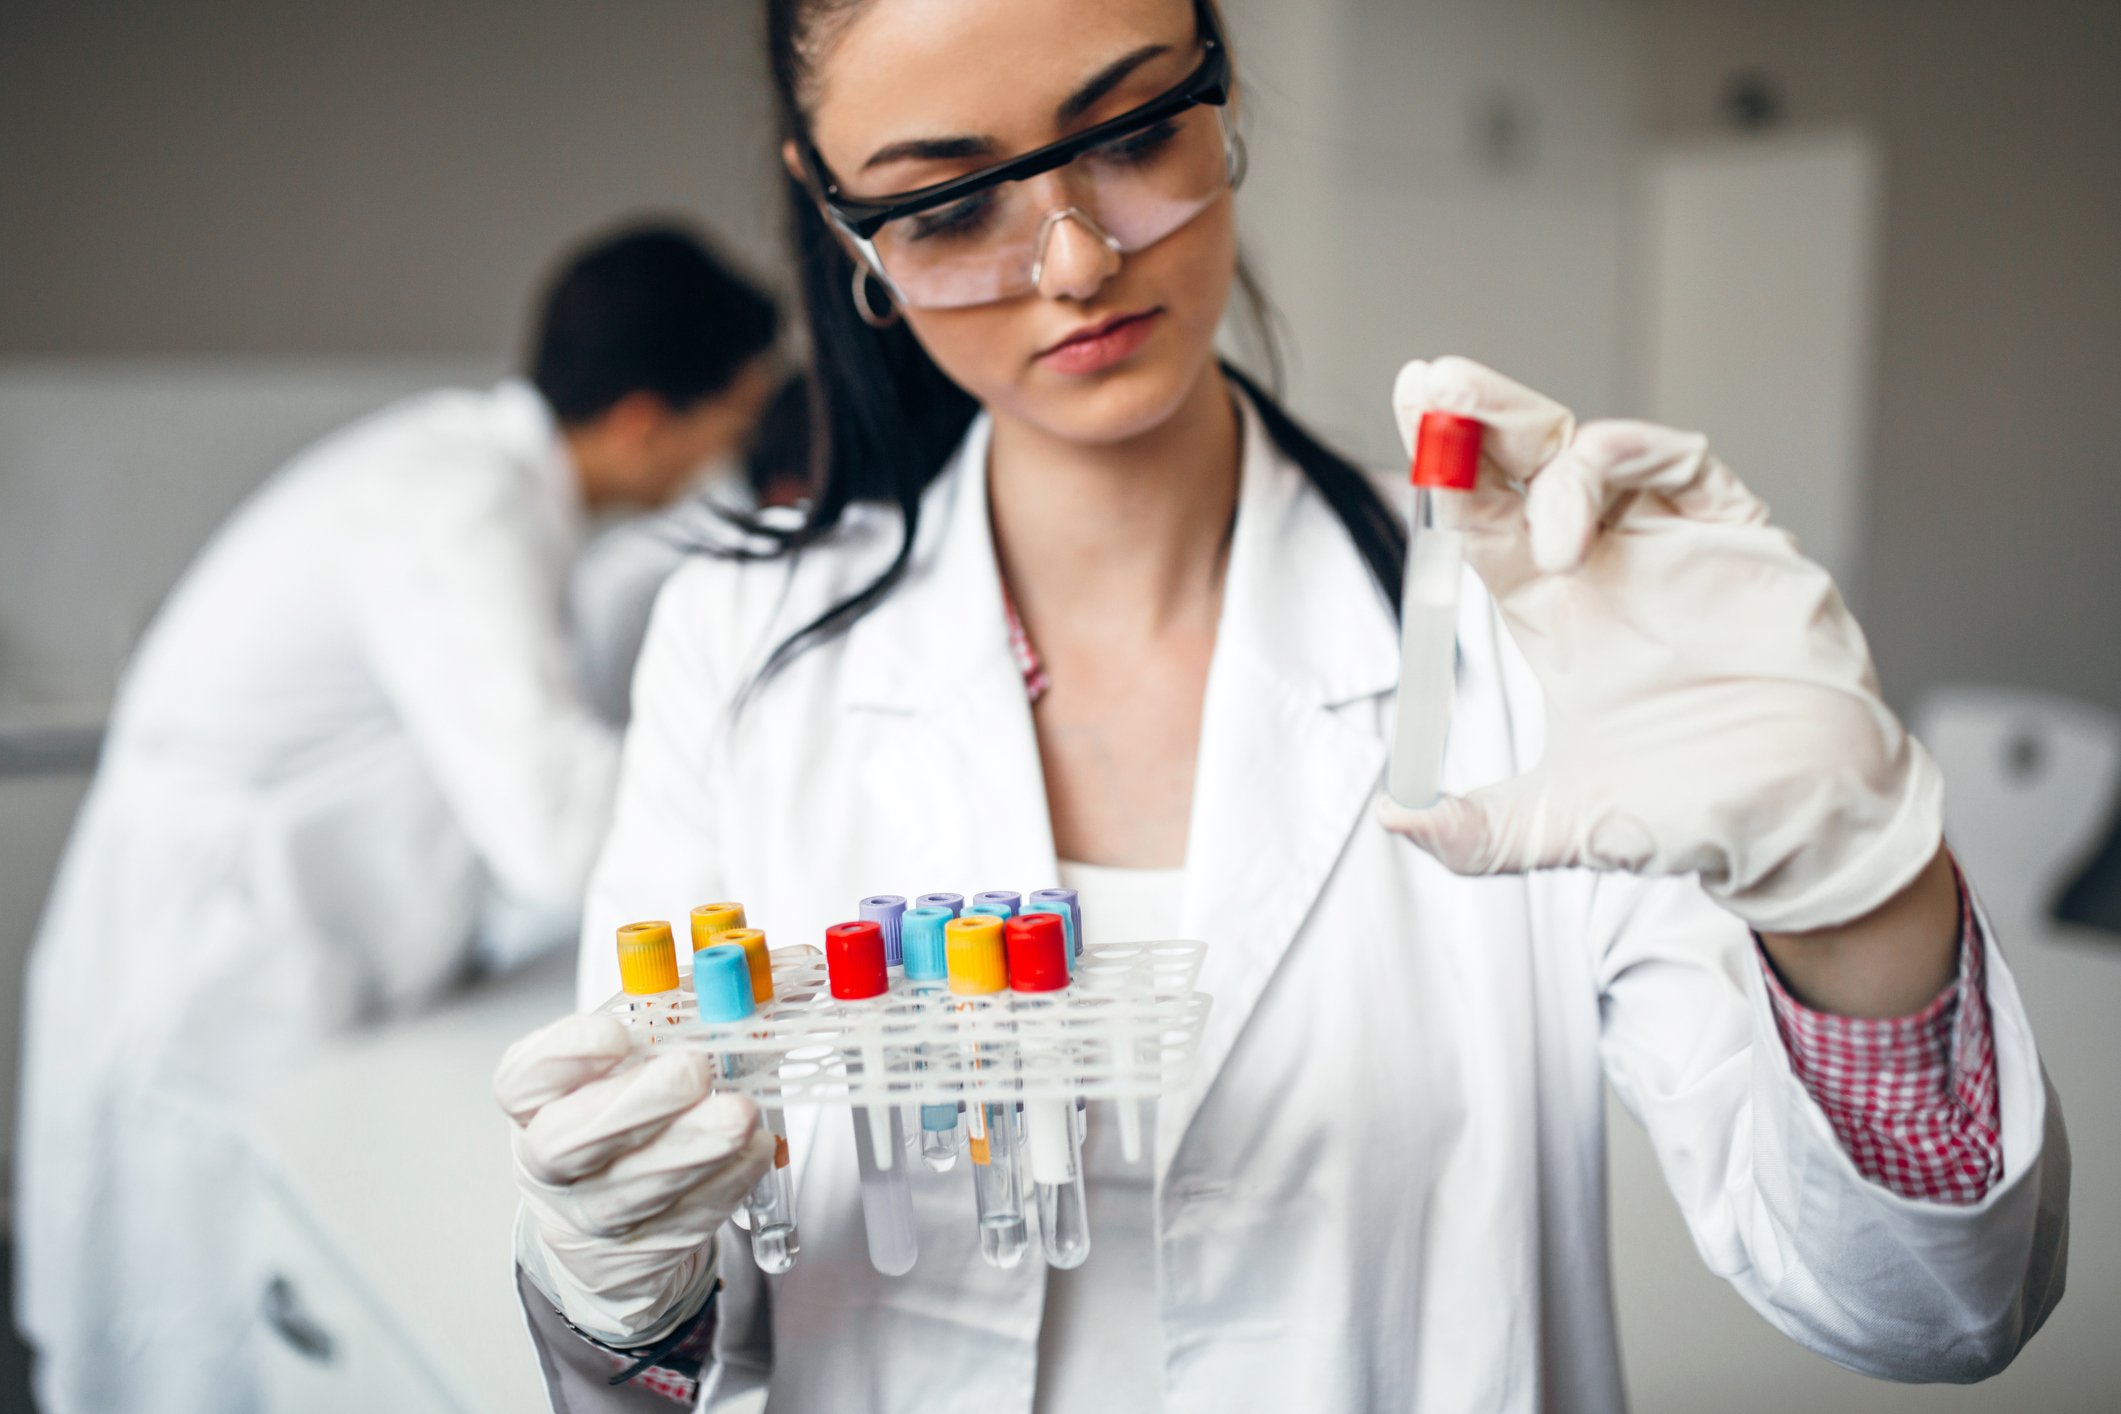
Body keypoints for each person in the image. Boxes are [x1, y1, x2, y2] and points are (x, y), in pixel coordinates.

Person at [494, 3, 2070, 1409]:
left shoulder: (1528, 618)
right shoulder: (739, 650)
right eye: (949, 204)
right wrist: (622, 1290)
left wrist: (1859, 911)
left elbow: (1935, 1308)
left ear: (1219, 83)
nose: (1073, 262)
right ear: (847, 228)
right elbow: (687, 1349)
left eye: (1129, 134)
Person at [13, 222, 777, 1414]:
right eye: (727, 423)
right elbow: (551, 825)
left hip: (281, 957)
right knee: (193, 1328)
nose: (727, 457)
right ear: (641, 419)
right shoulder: (455, 512)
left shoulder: (487, 481)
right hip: (212, 969)